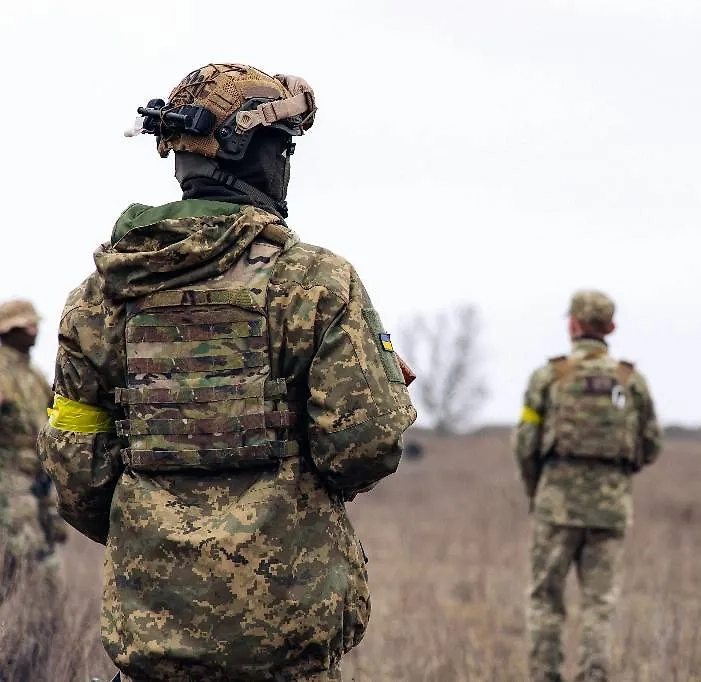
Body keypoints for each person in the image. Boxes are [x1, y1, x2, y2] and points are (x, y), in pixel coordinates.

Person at [38, 63, 417, 682]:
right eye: (283, 149)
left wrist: (159, 533)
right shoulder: (315, 282)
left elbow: (77, 472)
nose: (286, 166)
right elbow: (364, 446)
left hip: (153, 633)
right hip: (289, 633)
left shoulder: (98, 299)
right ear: (251, 152)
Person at [514, 290, 662, 682]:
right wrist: (616, 476)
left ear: (573, 325)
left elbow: (525, 443)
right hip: (610, 511)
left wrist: (536, 489)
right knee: (600, 604)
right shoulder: (631, 381)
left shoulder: (549, 377)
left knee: (546, 600)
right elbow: (652, 444)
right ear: (610, 328)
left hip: (556, 507)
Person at [0, 299, 67, 596]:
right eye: (27, 326)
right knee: (31, 556)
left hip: (38, 480)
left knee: (36, 555)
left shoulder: (34, 375)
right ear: (9, 330)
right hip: (10, 481)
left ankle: (41, 617)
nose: (35, 331)